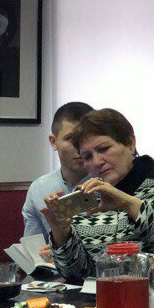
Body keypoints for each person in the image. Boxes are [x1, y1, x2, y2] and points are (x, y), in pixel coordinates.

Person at [41, 108, 154, 279]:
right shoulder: (88, 195)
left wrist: (127, 203)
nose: (97, 162)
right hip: (99, 293)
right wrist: (61, 234)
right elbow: (76, 273)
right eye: (87, 157)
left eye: (104, 149)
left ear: (131, 143)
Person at [22, 102, 94, 247]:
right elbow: (33, 249)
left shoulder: (110, 183)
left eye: (86, 138)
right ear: (53, 142)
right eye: (71, 139)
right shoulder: (39, 189)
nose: (80, 147)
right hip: (56, 261)